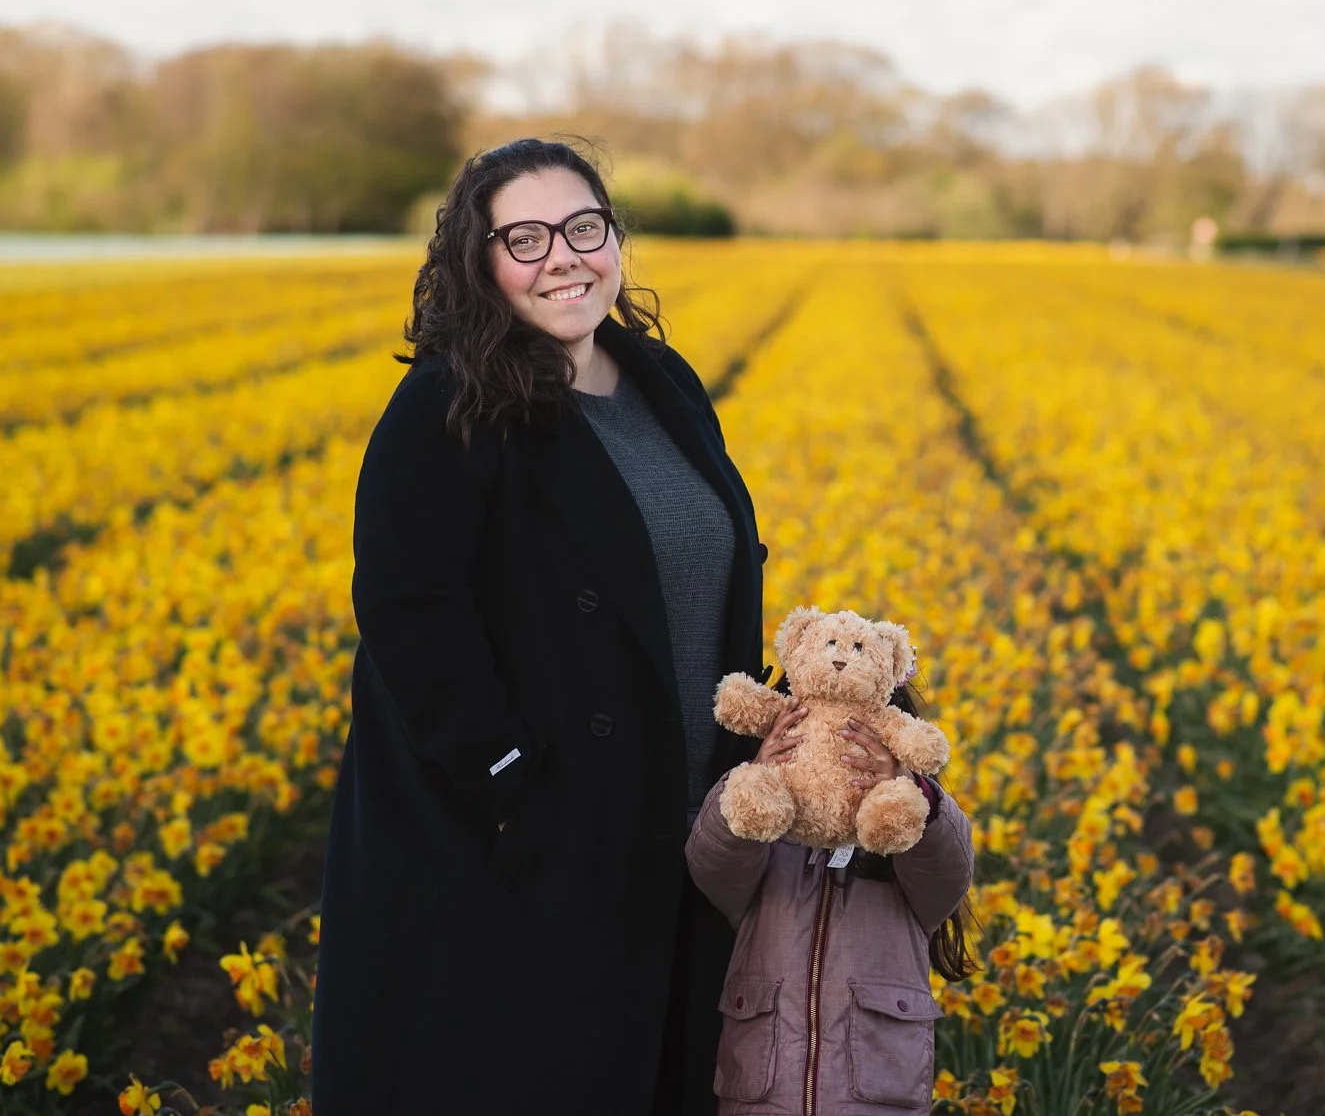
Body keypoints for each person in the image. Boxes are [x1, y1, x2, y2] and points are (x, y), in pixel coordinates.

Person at [312, 138, 768, 1114]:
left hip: (680, 821)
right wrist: (512, 785)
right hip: (529, 840)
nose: (561, 257)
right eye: (523, 237)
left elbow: (696, 575)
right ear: (477, 260)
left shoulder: (660, 381)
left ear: (613, 237)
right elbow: (408, 610)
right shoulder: (449, 400)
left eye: (581, 227)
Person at [685, 684, 977, 1116]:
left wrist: (910, 795)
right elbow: (710, 864)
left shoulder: (907, 853)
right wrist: (754, 779)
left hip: (877, 1099)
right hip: (763, 1097)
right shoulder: (767, 845)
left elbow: (949, 867)